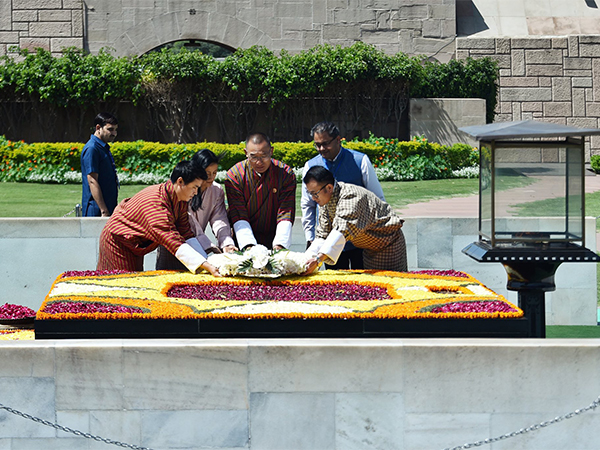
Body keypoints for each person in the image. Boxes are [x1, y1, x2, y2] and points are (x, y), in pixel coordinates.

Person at [97, 159, 220, 276]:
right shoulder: (156, 203)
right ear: (180, 181)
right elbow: (172, 239)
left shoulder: (180, 200)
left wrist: (205, 259)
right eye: (194, 187)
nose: (196, 192)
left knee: (134, 282)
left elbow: (185, 231)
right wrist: (205, 265)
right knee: (120, 285)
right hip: (117, 242)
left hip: (134, 245)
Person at [301, 121, 385, 269]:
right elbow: (308, 204)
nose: (321, 149)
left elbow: (377, 198)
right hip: (329, 243)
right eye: (317, 145)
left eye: (325, 143)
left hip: (363, 240)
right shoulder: (310, 166)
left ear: (338, 139)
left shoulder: (360, 161)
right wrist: (310, 237)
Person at [302, 166, 407, 275]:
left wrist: (318, 260)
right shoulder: (324, 202)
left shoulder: (351, 196)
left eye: (315, 193)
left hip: (388, 244)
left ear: (329, 188)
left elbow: (342, 230)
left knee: (390, 283)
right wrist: (304, 261)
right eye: (310, 194)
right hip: (368, 250)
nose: (313, 198)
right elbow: (323, 235)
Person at [156, 149, 238, 270]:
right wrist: (209, 248)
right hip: (175, 245)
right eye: (207, 173)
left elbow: (219, 219)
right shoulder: (185, 189)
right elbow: (190, 224)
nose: (211, 177)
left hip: (199, 247)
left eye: (214, 173)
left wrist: (226, 243)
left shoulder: (216, 190)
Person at [224, 132, 296, 250]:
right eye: (253, 157)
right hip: (243, 239)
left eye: (264, 156)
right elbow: (238, 213)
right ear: (246, 153)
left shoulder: (285, 174)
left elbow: (286, 212)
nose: (259, 162)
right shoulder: (235, 176)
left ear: (271, 151)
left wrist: (280, 245)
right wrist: (249, 246)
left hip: (274, 237)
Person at [81, 112, 120, 217]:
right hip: (96, 210)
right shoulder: (92, 148)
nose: (114, 133)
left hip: (108, 206)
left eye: (115, 130)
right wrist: (104, 211)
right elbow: (92, 180)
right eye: (110, 129)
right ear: (98, 128)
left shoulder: (103, 147)